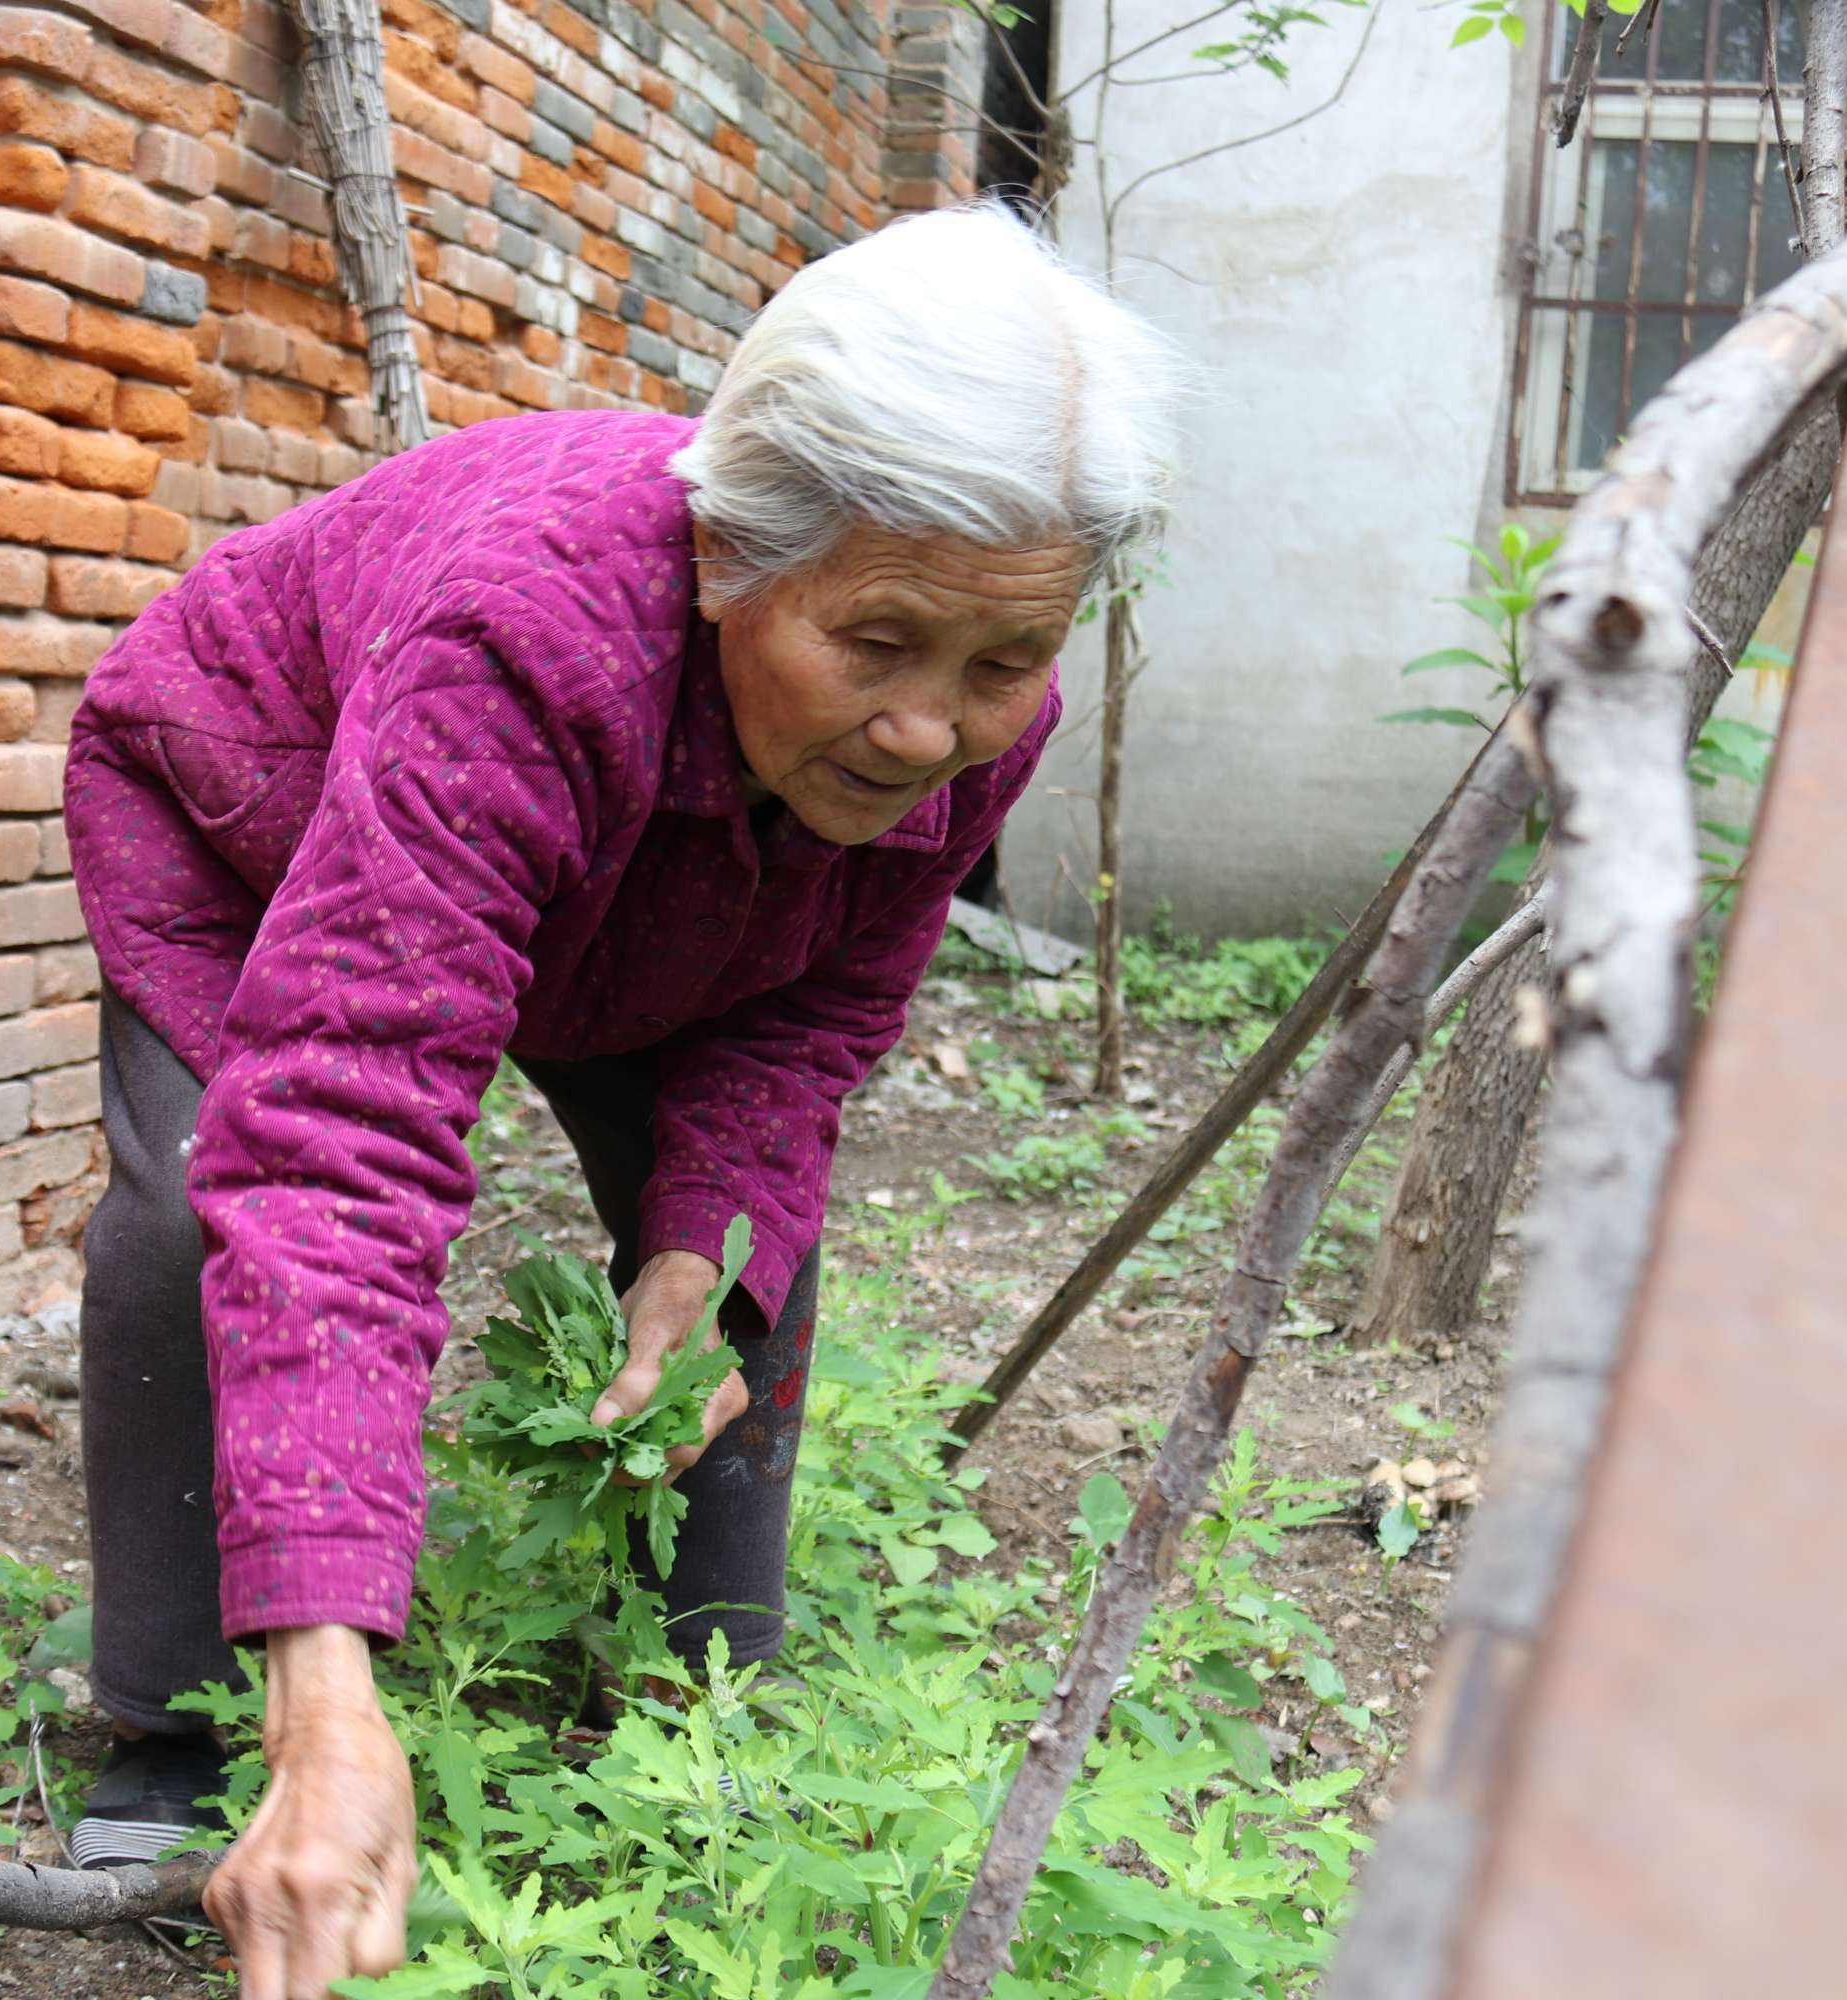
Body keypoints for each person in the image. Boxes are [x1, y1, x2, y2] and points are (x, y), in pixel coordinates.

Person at [59, 200, 1176, 1998]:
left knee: (740, 1243)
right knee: (206, 1202)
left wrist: (700, 1252)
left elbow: (811, 1019)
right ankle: (179, 1728)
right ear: (734, 553)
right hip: (265, 818)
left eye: (999, 663)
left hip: (664, 885)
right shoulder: (524, 636)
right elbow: (346, 1130)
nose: (926, 732)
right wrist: (329, 1686)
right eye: (877, 643)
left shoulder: (963, 712)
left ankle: (709, 1668)